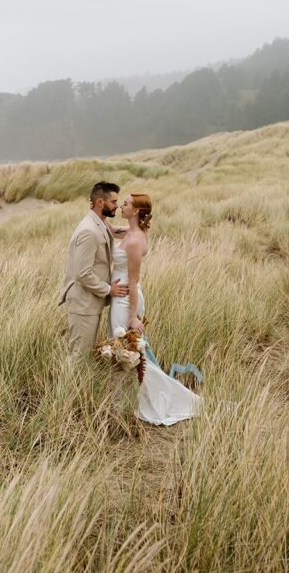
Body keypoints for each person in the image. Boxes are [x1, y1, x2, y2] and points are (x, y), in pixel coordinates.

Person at [110, 192, 202, 425]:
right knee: (129, 350)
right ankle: (130, 396)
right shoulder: (130, 232)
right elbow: (113, 230)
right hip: (123, 297)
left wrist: (132, 317)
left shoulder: (134, 241)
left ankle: (134, 400)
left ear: (137, 211)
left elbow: (132, 281)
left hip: (125, 300)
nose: (122, 205)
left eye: (126, 204)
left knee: (127, 349)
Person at [58, 181, 129, 356]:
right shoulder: (88, 231)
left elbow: (112, 232)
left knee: (86, 352)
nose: (117, 206)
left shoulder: (100, 221)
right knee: (79, 355)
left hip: (90, 302)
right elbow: (82, 274)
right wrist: (109, 289)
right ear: (100, 202)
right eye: (113, 202)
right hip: (83, 304)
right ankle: (71, 384)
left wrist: (137, 228)